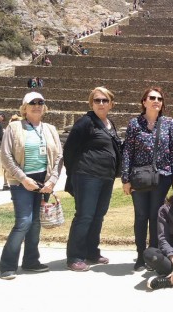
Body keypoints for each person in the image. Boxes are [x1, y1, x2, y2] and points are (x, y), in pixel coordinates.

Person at [0, 92, 63, 280]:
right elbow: (6, 156)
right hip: (21, 181)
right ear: (24, 107)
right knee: (24, 221)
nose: (36, 105)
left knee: (35, 223)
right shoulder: (14, 127)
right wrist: (23, 178)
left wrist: (52, 181)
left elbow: (59, 156)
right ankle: (7, 265)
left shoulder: (50, 129)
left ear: (45, 107)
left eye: (40, 102)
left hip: (43, 180)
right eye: (32, 103)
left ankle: (31, 260)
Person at [122, 87, 173, 271]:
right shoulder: (134, 124)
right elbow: (127, 152)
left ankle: (153, 255)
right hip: (139, 177)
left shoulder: (168, 124)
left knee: (156, 216)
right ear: (144, 102)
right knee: (141, 216)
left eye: (159, 98)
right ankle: (140, 255)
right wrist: (125, 178)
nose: (156, 101)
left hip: (162, 176)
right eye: (152, 98)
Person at [64, 87, 122, 272]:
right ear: (91, 103)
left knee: (98, 216)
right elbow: (69, 150)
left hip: (106, 177)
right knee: (85, 215)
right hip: (87, 175)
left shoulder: (108, 123)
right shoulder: (85, 122)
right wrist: (73, 173)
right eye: (97, 100)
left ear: (111, 103)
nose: (101, 103)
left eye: (105, 100)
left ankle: (91, 251)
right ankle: (75, 256)